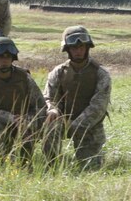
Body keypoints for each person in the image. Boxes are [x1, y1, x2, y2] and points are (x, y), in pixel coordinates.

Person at [42, 26, 112, 169]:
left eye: (81, 47)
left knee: (89, 168)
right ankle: (52, 165)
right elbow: (49, 97)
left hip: (89, 125)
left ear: (87, 48)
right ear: (67, 49)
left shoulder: (101, 73)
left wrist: (76, 125)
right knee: (50, 127)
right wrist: (53, 110)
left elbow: (97, 107)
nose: (78, 51)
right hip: (63, 120)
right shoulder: (58, 72)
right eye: (74, 48)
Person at [0, 37, 45, 162]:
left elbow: (40, 106)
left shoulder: (24, 77)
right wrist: (11, 118)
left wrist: (27, 120)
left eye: (8, 57)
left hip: (24, 121)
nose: (5, 61)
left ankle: (25, 162)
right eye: (1, 57)